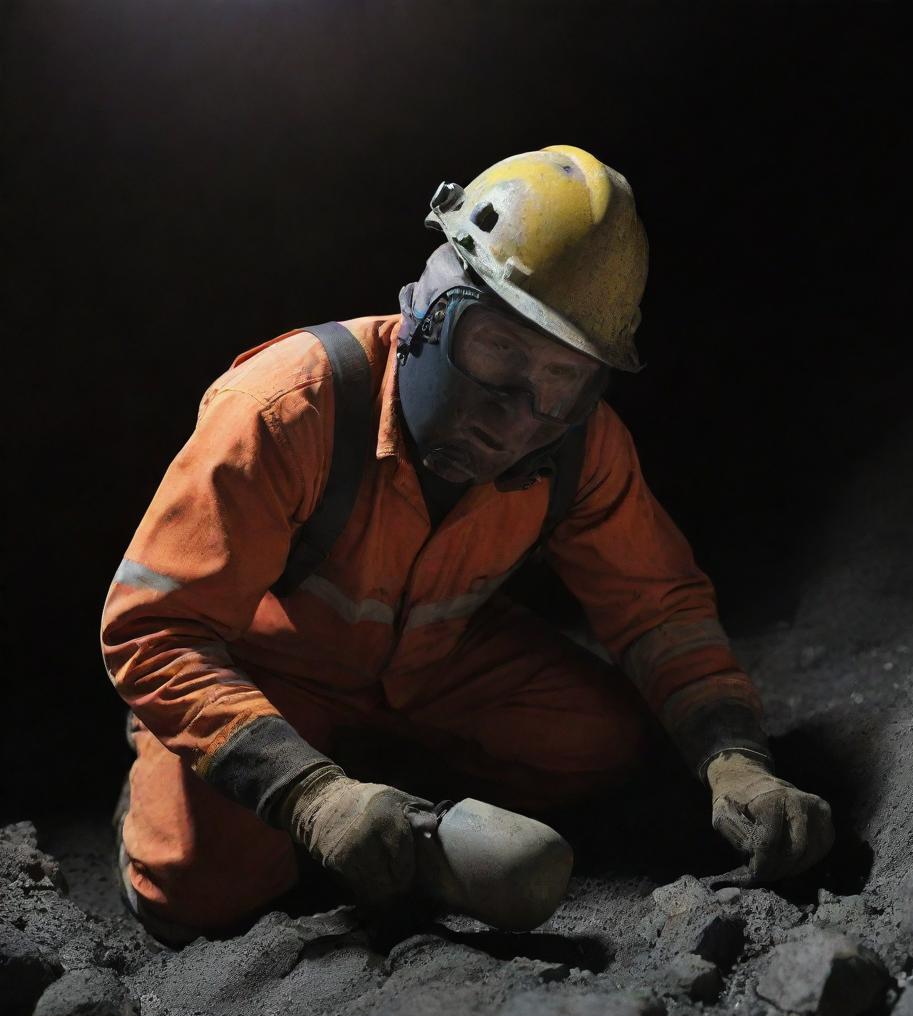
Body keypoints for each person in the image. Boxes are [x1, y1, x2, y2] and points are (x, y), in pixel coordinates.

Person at [101, 145, 834, 944]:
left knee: (598, 744)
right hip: (273, 674)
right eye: (498, 351)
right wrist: (311, 796)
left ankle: (384, 793)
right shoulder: (286, 409)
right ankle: (208, 769)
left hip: (433, 666)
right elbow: (154, 628)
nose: (518, 417)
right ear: (426, 313)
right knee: (195, 894)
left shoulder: (582, 447)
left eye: (563, 380)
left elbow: (659, 610)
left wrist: (734, 757)